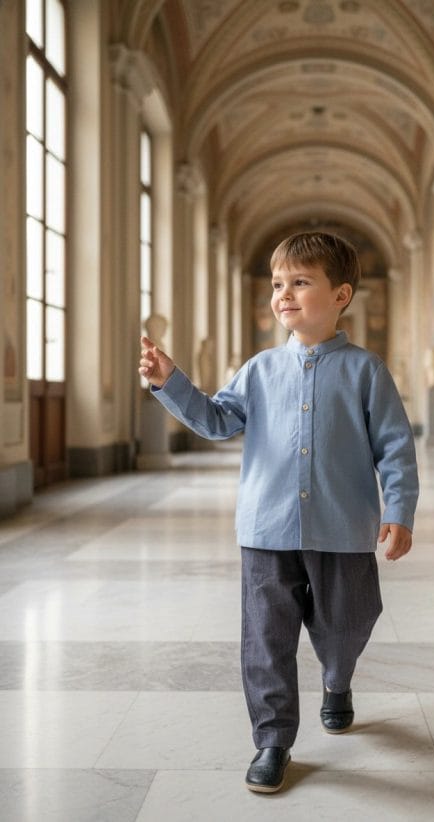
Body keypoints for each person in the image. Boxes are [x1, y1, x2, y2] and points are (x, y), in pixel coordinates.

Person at [139, 231, 419, 794]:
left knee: (350, 622)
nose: (284, 294)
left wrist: (400, 509)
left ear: (341, 295)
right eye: (277, 284)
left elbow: (394, 446)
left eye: (300, 282)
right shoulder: (260, 369)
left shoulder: (367, 371)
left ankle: (337, 680)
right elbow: (218, 420)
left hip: (343, 528)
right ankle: (272, 740)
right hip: (266, 530)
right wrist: (171, 383)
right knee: (265, 639)